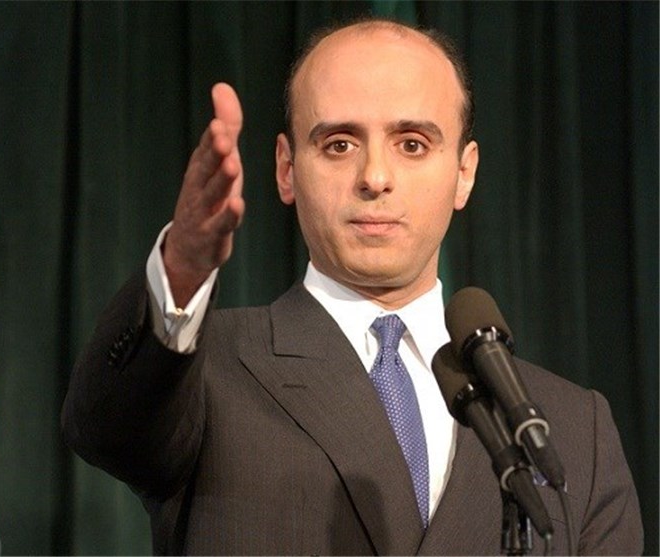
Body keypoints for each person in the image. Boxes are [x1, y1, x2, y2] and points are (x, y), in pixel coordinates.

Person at [62, 17, 643, 555]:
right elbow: (106, 430)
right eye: (339, 144)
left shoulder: (572, 430)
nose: (375, 177)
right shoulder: (207, 368)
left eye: (412, 144)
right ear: (287, 169)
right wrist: (181, 269)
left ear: (464, 172)